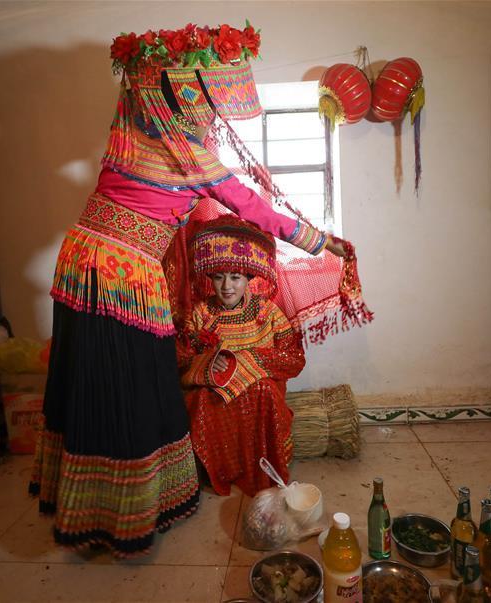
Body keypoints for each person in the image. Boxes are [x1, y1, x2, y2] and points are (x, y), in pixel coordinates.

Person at [28, 22, 347, 557]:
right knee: (130, 389)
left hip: (79, 262)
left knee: (90, 380)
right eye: (205, 101)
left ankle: (87, 505)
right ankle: (123, 518)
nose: (212, 114)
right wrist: (320, 242)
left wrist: (153, 68)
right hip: (122, 277)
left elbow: (137, 87)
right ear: (188, 101)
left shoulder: (127, 130)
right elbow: (255, 207)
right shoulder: (194, 159)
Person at [177, 216, 305, 496]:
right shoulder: (200, 314)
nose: (227, 286)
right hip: (214, 391)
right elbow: (181, 359)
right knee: (199, 400)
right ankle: (219, 471)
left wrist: (248, 361)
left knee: (264, 392)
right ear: (210, 277)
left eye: (235, 277)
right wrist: (207, 365)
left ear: (249, 278)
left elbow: (294, 359)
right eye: (219, 277)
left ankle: (261, 470)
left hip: (259, 389)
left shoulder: (268, 312)